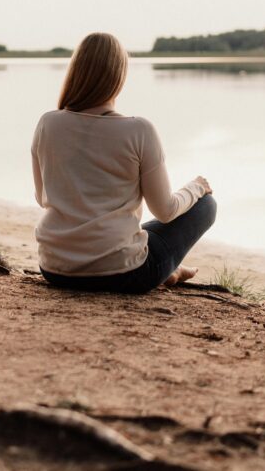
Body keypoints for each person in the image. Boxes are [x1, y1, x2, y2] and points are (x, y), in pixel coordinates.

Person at [31, 32, 216, 294]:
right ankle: (167, 268)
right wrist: (197, 188)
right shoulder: (139, 130)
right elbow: (165, 210)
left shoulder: (47, 124)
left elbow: (42, 198)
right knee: (206, 205)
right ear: (119, 75)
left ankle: (170, 270)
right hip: (123, 274)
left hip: (55, 269)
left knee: (136, 233)